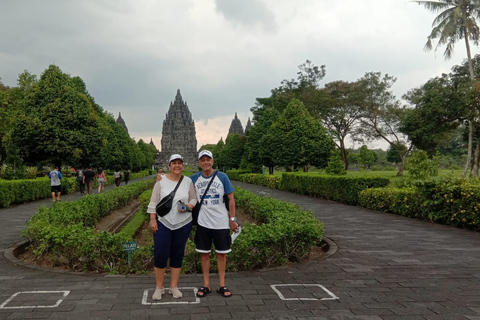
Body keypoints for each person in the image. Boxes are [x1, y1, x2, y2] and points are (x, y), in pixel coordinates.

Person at [147, 154, 197, 301]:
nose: (177, 165)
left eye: (179, 163)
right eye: (174, 163)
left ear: (183, 165)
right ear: (169, 166)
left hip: (183, 223)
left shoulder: (188, 181)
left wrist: (189, 206)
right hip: (164, 222)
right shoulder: (161, 181)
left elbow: (193, 198)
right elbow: (153, 202)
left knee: (177, 254)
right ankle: (159, 287)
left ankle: (174, 286)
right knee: (160, 254)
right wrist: (152, 220)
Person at [190, 150, 238, 298]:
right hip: (203, 223)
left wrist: (232, 219)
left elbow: (231, 199)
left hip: (221, 222)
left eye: (208, 159)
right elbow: (177, 185)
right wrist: (161, 180)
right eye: (203, 160)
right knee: (204, 254)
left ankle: (222, 285)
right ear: (199, 162)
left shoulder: (222, 177)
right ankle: (206, 285)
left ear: (212, 161)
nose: (206, 162)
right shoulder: (193, 179)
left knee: (221, 254)